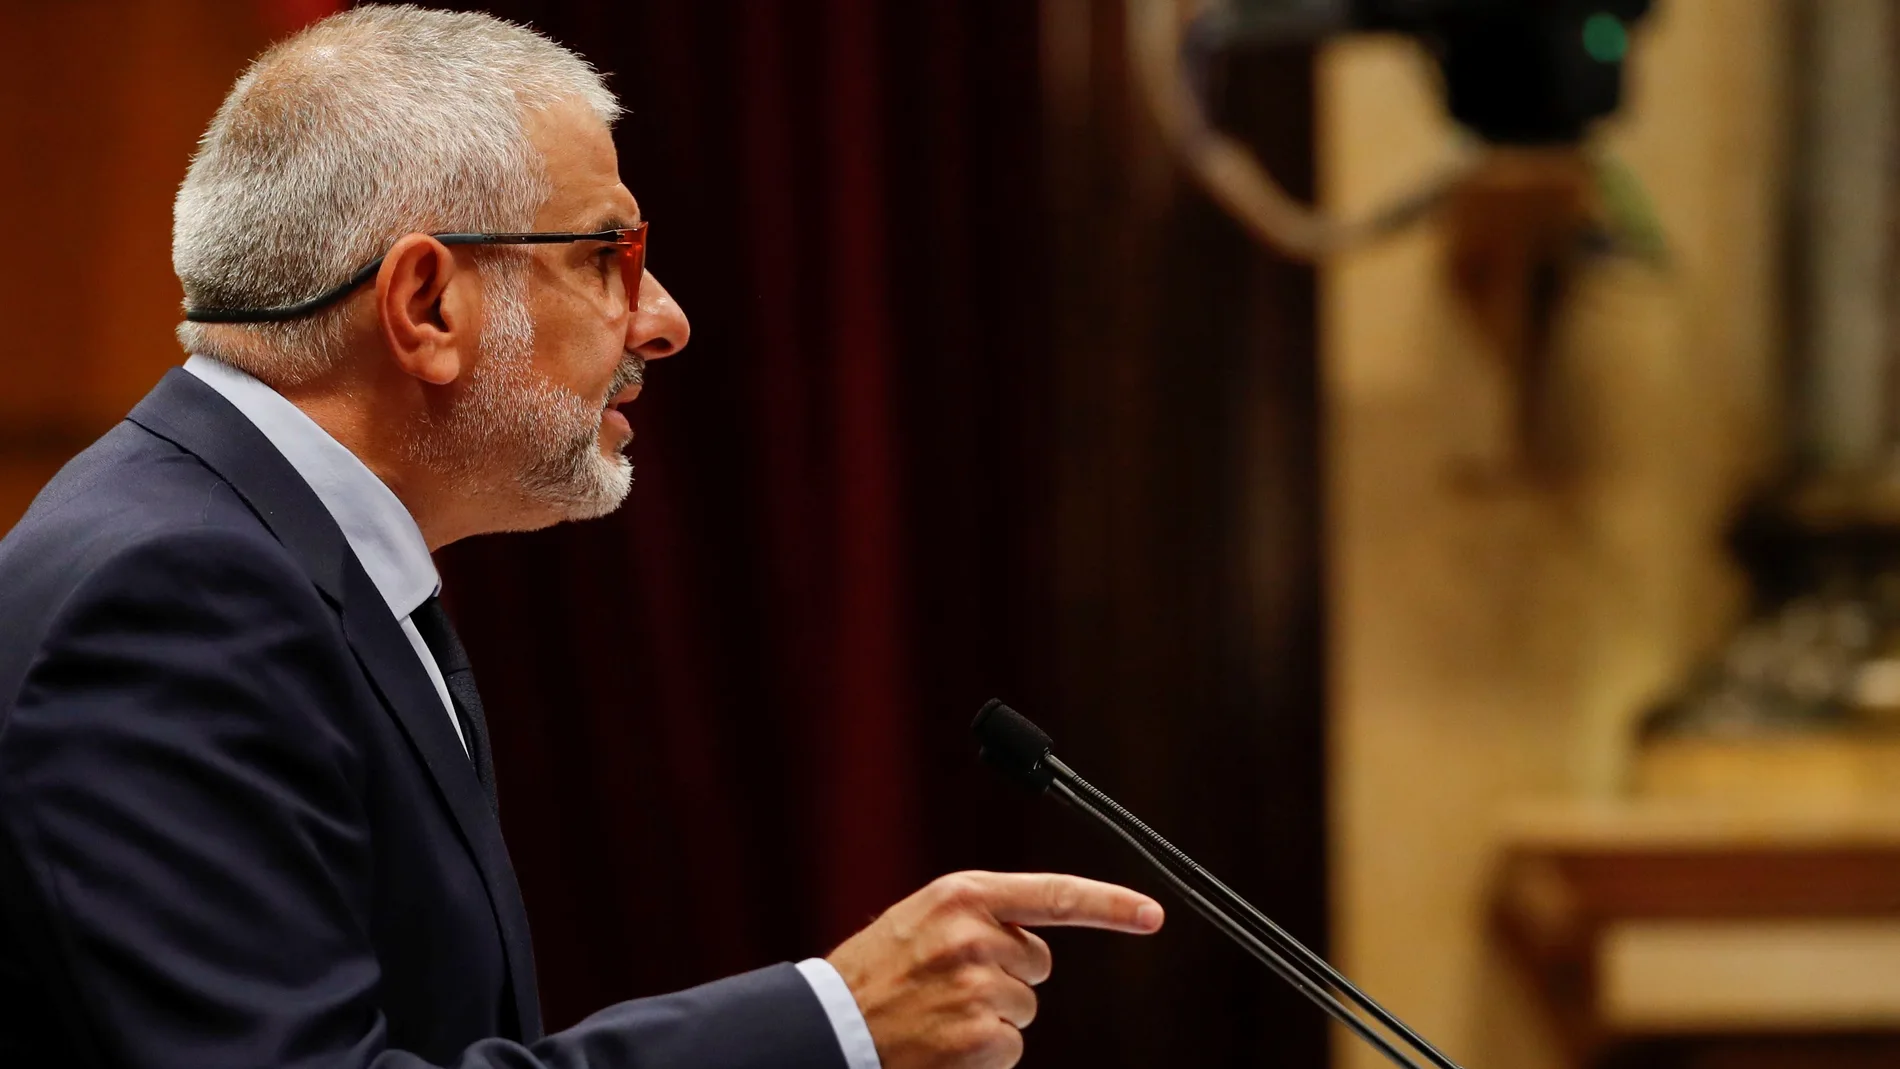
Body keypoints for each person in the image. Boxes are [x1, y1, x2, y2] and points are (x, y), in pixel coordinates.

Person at [0, 6, 1165, 1069]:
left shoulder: (284, 557)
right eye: (606, 255)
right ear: (427, 305)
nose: (665, 320)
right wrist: (835, 1020)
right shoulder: (177, 593)